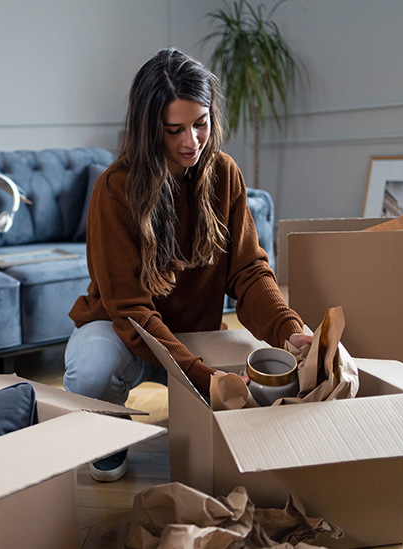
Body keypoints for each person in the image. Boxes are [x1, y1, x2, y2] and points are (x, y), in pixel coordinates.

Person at [64, 48, 313, 482]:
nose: (191, 141)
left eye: (201, 123)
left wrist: (289, 329)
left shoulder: (224, 175)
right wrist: (202, 376)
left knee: (268, 368)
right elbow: (132, 310)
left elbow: (249, 271)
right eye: (174, 129)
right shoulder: (114, 190)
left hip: (195, 331)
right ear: (149, 130)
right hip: (123, 329)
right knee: (92, 372)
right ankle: (107, 435)